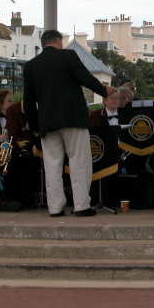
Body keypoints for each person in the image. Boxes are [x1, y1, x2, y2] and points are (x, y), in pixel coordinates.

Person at [23, 29, 109, 217]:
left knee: (52, 165)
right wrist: (105, 92)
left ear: (43, 43)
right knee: (79, 161)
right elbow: (85, 78)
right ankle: (81, 205)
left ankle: (55, 207)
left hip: (47, 123)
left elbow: (28, 101)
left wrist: (35, 127)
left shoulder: (31, 66)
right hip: (73, 119)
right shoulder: (68, 56)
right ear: (59, 41)